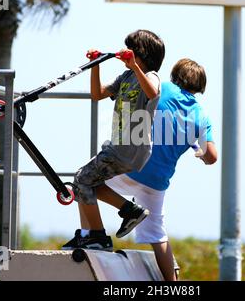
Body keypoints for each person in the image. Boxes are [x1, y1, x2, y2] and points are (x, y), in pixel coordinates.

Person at [69, 58, 218, 281]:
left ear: (175, 75)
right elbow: (211, 157)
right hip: (157, 180)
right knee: (158, 234)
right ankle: (172, 284)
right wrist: (200, 153)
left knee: (86, 181)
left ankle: (92, 236)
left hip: (130, 165)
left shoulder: (164, 88)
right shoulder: (201, 116)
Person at [62, 29, 165, 251]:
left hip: (132, 146)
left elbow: (152, 94)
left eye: (131, 50)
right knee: (89, 183)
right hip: (120, 145)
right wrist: (95, 65)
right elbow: (97, 94)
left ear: (142, 54)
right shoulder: (125, 77)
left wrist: (136, 67)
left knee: (80, 178)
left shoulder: (151, 76)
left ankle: (96, 235)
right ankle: (129, 211)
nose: (126, 53)